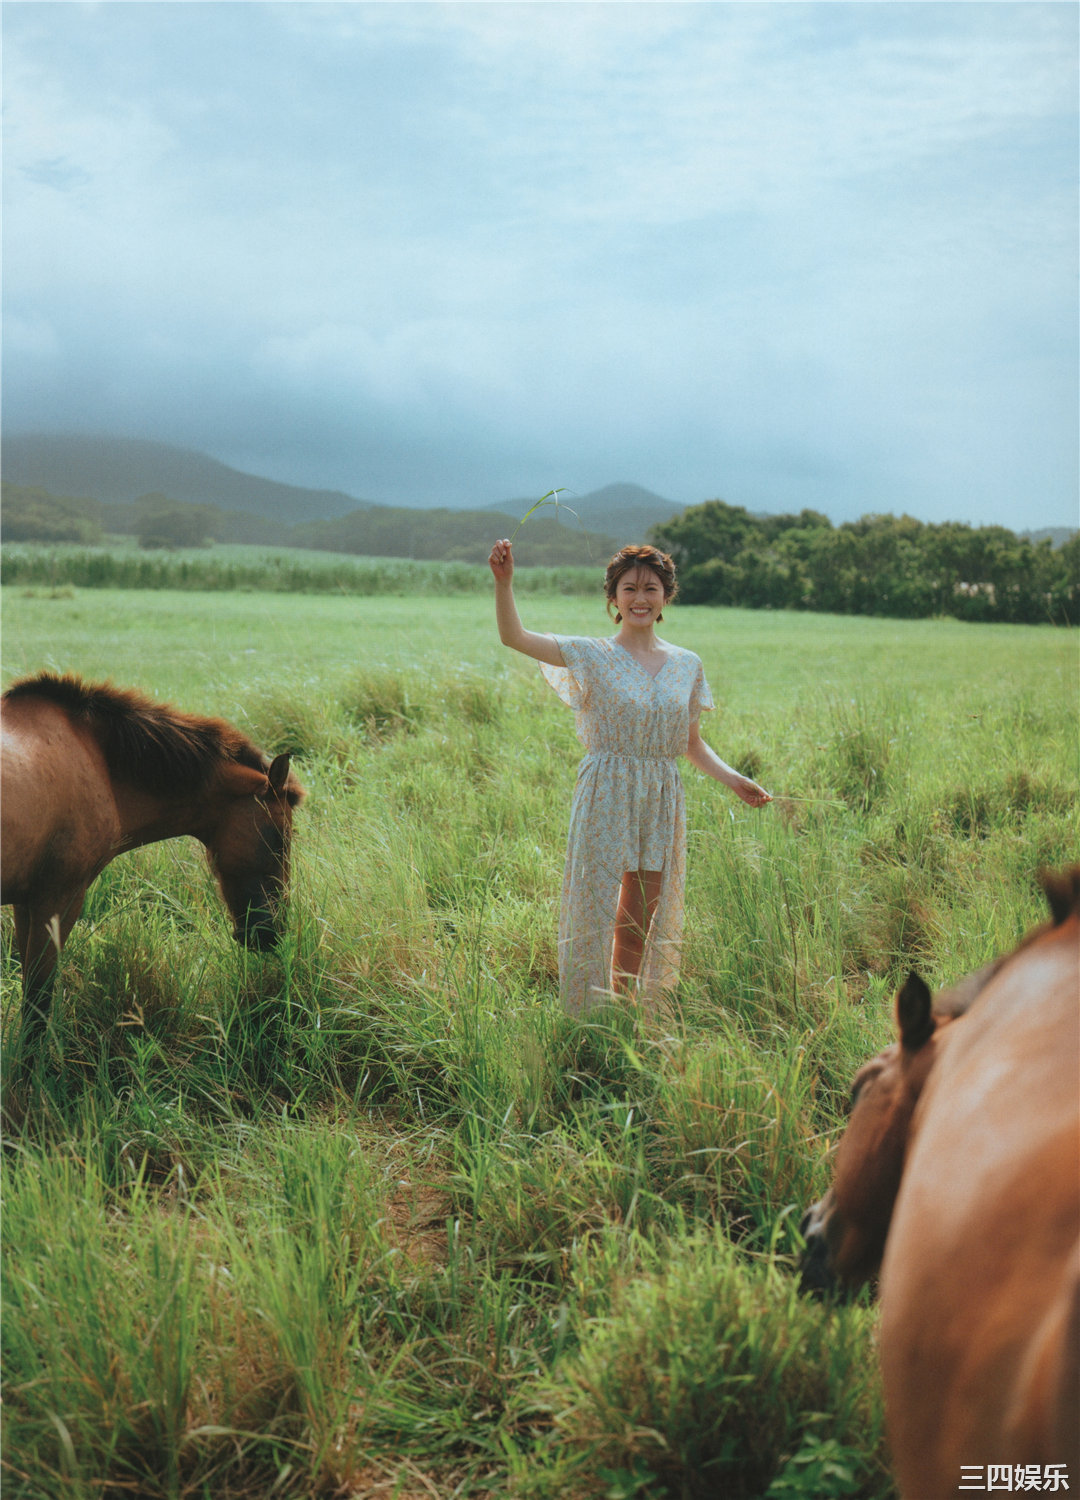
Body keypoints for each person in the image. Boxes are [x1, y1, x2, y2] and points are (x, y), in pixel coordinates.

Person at [489, 537, 771, 1015]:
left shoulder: (687, 664)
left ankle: (625, 1007)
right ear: (613, 598)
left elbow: (691, 742)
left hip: (661, 791)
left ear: (666, 597)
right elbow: (514, 637)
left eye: (651, 588)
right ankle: (585, 1011)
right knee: (595, 901)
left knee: (642, 908)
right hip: (606, 786)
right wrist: (505, 582)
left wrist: (734, 779)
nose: (640, 598)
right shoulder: (591, 653)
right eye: (629, 588)